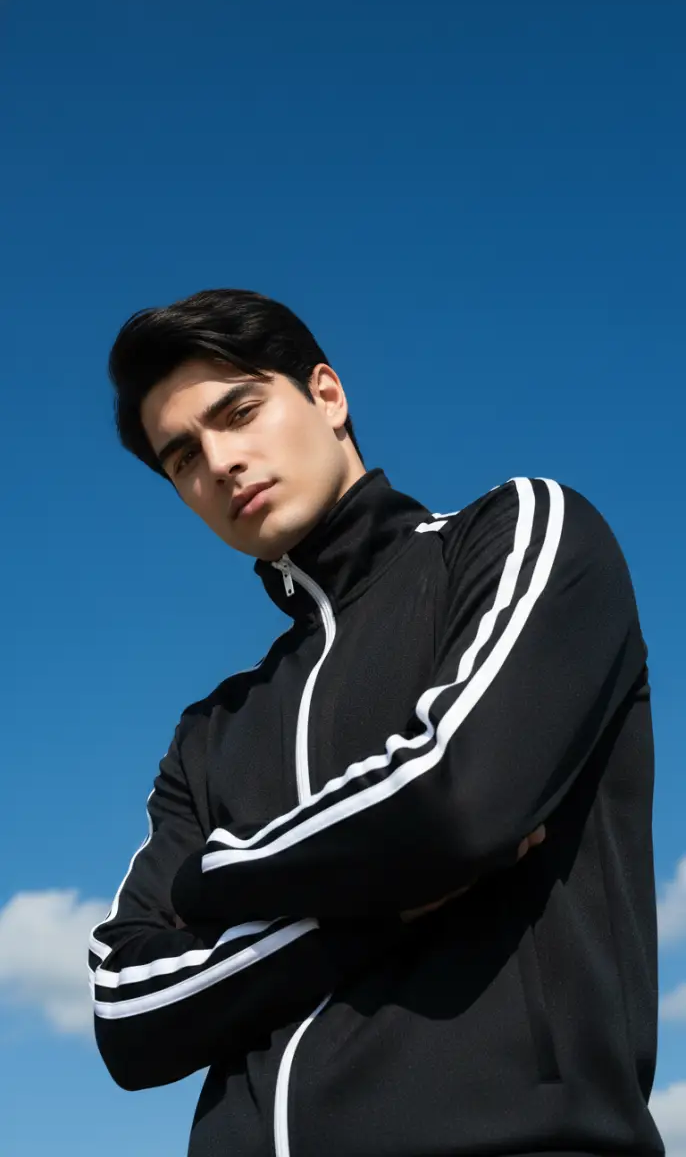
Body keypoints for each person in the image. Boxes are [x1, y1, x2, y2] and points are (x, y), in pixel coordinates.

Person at [90, 288, 664, 1157]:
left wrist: (216, 881)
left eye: (240, 411)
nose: (222, 462)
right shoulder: (211, 730)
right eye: (183, 459)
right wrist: (363, 912)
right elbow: (128, 1012)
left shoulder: (516, 536)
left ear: (327, 394)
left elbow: (456, 801)